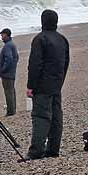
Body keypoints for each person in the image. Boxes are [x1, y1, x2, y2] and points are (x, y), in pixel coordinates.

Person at [26, 9, 70, 160]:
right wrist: (60, 82)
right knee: (56, 117)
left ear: (42, 21)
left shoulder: (40, 39)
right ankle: (53, 149)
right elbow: (65, 63)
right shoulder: (62, 39)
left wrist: (30, 86)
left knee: (41, 117)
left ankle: (36, 151)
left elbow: (35, 65)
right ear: (56, 22)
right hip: (56, 85)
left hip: (42, 87)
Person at [0, 27, 19, 117]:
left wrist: (3, 70)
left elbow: (9, 59)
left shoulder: (8, 46)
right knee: (11, 90)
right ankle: (12, 109)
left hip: (7, 74)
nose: (1, 37)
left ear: (6, 35)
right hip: (11, 72)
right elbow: (16, 57)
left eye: (2, 35)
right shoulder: (11, 44)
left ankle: (10, 111)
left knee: (8, 91)